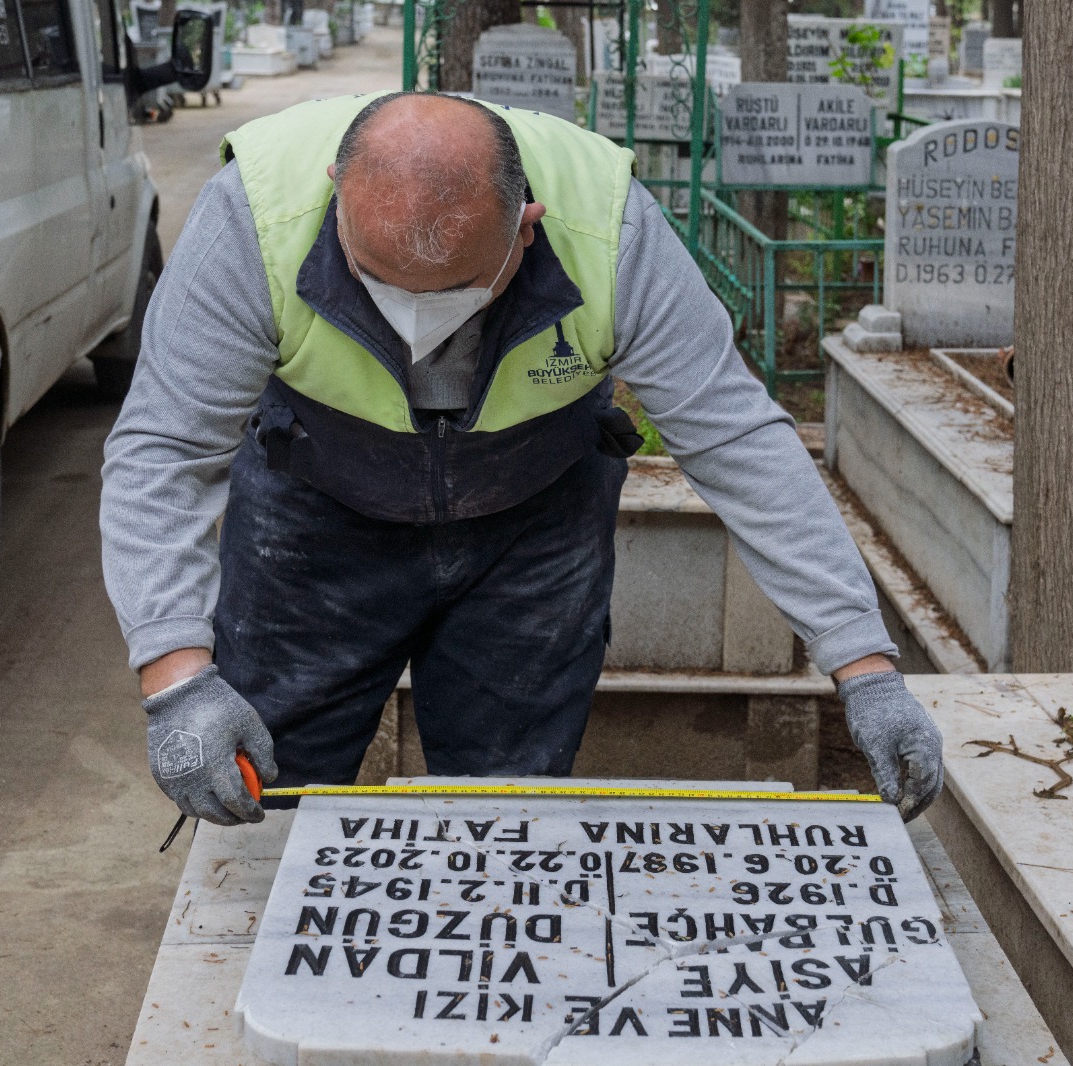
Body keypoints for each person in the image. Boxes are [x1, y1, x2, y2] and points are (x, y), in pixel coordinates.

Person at [101, 91, 944, 829]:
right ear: (336, 193)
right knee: (268, 784)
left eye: (456, 292)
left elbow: (737, 439)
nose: (414, 320)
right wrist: (177, 681)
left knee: (506, 810)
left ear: (527, 224)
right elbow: (164, 448)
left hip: (533, 521)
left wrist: (863, 665)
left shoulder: (608, 229)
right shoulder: (255, 220)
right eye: (379, 280)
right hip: (316, 511)